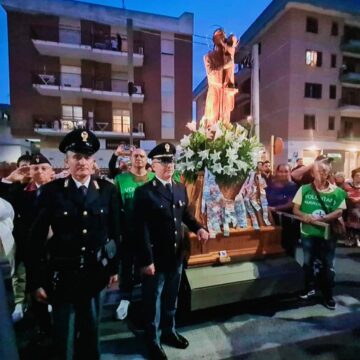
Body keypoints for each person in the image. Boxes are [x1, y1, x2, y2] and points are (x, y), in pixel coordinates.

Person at [27, 129, 121, 359]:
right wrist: (36, 281)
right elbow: (34, 241)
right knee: (64, 340)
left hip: (95, 275)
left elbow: (115, 232)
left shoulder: (107, 190)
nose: (82, 162)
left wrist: (113, 268)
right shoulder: (52, 192)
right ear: (66, 161)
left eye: (87, 157)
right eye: (77, 156)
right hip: (63, 278)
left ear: (94, 161)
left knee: (91, 335)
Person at [133, 142, 209, 360]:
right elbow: (140, 230)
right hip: (155, 258)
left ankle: (169, 331)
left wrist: (199, 228)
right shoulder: (144, 192)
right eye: (163, 161)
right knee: (152, 300)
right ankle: (152, 339)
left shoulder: (179, 187)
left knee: (170, 298)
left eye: (171, 161)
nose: (169, 165)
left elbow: (185, 214)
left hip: (176, 256)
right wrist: (146, 260)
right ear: (153, 165)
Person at [293, 161, 347, 310]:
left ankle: (327, 294)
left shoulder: (337, 192)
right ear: (312, 174)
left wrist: (321, 219)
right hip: (308, 233)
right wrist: (305, 215)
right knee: (308, 262)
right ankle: (309, 288)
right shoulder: (304, 189)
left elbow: (339, 211)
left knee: (328, 264)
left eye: (325, 171)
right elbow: (296, 209)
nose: (323, 174)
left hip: (328, 234)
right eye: (319, 171)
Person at [113, 148, 155, 320]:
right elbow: (116, 209)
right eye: (135, 156)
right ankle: (125, 298)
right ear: (130, 159)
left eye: (142, 156)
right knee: (127, 265)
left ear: (147, 160)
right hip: (129, 231)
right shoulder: (120, 179)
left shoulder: (154, 178)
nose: (139, 158)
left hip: (151, 233)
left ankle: (149, 299)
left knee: (149, 265)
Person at [266, 164, 298, 256]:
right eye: (281, 171)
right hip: (272, 219)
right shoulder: (271, 185)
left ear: (290, 172)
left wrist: (275, 208)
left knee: (288, 247)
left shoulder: (293, 186)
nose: (283, 174)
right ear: (277, 172)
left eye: (286, 171)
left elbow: (291, 203)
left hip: (287, 221)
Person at [344, 167, 360, 247]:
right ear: (353, 176)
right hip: (349, 207)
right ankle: (351, 237)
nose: (359, 177)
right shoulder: (347, 186)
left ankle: (356, 237)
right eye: (357, 175)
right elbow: (349, 197)